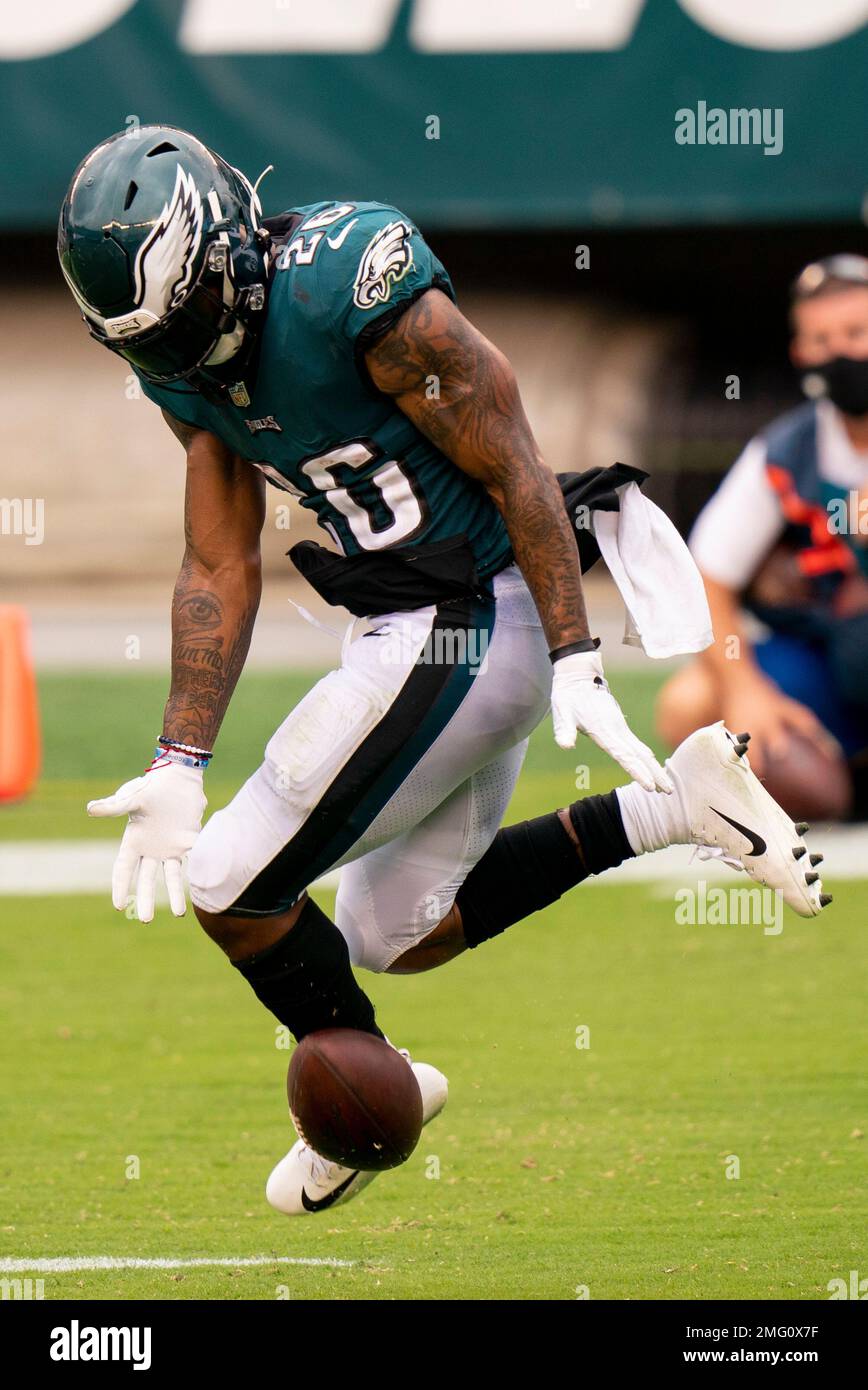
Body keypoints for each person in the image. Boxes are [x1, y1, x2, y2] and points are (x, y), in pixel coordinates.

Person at [59, 127, 829, 1217]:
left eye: (182, 323)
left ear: (223, 251)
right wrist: (178, 755)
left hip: (469, 618)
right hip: (408, 625)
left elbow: (513, 454)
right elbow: (218, 556)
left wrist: (573, 651)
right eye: (148, 339)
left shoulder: (350, 283)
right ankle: (674, 809)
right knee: (392, 932)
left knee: (229, 881)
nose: (175, 356)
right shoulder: (182, 363)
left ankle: (363, 1099)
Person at [657, 255, 868, 820]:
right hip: (831, 664)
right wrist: (745, 686)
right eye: (822, 338)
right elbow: (706, 575)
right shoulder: (784, 454)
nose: (842, 352)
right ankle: (834, 777)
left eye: (856, 332)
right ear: (800, 353)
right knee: (691, 705)